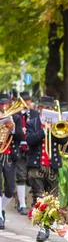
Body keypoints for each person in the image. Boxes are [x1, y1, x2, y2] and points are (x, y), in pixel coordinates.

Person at [27, 96, 68, 242]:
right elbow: (30, 140)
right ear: (40, 108)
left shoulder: (57, 124)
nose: (49, 111)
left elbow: (64, 141)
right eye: (46, 108)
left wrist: (59, 128)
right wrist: (44, 131)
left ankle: (46, 226)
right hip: (36, 166)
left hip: (52, 166)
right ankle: (42, 229)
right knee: (39, 197)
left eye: (51, 109)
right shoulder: (33, 123)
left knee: (52, 199)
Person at [13, 91, 38, 215]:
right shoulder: (15, 114)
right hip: (19, 148)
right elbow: (13, 132)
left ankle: (20, 196)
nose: (27, 103)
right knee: (21, 175)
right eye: (24, 100)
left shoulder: (34, 114)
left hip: (32, 149)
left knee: (30, 178)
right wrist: (19, 130)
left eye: (28, 100)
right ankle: (22, 204)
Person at [0, 94, 23, 228]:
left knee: (10, 188)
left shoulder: (17, 118)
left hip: (10, 156)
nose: (4, 107)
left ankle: (1, 209)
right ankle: (0, 216)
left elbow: (20, 137)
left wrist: (13, 128)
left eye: (6, 104)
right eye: (1, 104)